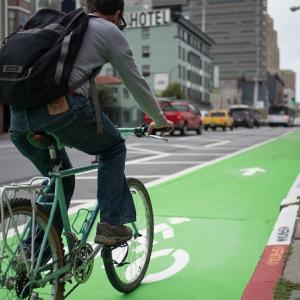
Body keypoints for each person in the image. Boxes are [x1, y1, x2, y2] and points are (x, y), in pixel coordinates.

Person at [9, 0, 174, 247]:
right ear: (118, 15)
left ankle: (33, 256)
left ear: (89, 5)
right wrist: (160, 120)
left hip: (18, 117)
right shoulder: (109, 31)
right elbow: (135, 82)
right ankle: (110, 224)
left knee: (60, 181)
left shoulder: (65, 25)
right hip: (62, 110)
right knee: (113, 147)